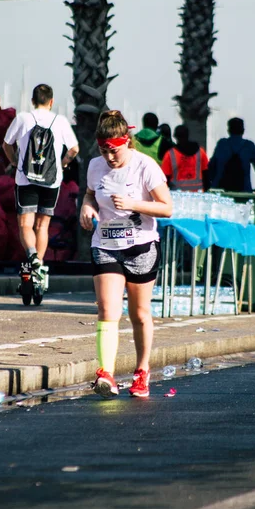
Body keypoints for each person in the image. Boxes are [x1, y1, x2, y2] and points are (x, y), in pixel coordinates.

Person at [79, 110, 172, 399]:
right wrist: (87, 205)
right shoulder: (95, 166)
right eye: (104, 151)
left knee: (139, 314)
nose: (109, 157)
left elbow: (167, 207)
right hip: (106, 246)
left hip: (141, 247)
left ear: (127, 142)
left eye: (115, 150)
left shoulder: (145, 166)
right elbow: (91, 192)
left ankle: (142, 371)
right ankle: (105, 373)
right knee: (108, 309)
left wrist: (134, 203)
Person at [2, 84, 79, 270]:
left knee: (25, 224)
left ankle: (32, 256)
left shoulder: (23, 118)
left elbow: (6, 144)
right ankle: (39, 267)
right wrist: (62, 164)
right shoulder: (60, 121)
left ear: (32, 101)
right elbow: (74, 149)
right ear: (51, 102)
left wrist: (14, 162)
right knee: (42, 226)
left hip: (25, 178)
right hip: (51, 181)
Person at [208, 117, 255, 193]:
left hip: (221, 191)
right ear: (243, 130)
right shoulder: (249, 146)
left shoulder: (222, 144)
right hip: (243, 191)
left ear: (229, 130)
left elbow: (211, 166)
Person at [161, 124, 209, 191]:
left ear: (175, 137)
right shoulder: (200, 152)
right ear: (188, 135)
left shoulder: (170, 154)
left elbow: (165, 178)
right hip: (198, 195)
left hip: (177, 196)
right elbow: (206, 174)